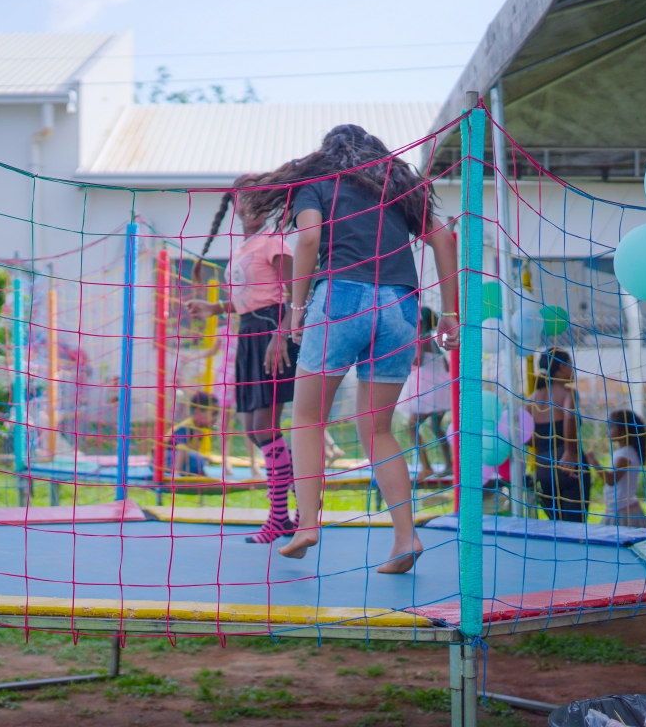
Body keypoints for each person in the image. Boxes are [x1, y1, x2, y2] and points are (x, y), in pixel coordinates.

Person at [246, 124, 458, 574]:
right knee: (378, 429)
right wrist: (449, 313)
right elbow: (444, 239)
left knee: (307, 417)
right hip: (401, 306)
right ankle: (406, 536)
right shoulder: (397, 188)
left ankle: (307, 524)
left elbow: (308, 239)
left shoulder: (318, 184)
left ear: (325, 155)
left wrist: (297, 309)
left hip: (341, 298)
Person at [186, 178, 300, 543]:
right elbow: (250, 298)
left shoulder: (274, 242)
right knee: (252, 428)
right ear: (235, 206)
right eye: (244, 200)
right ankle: (300, 500)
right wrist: (214, 308)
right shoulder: (245, 248)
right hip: (250, 333)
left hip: (272, 333)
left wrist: (281, 335)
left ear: (268, 205)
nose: (250, 206)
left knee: (265, 427)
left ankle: (281, 517)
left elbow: (297, 294)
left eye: (257, 199)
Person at [527, 349, 589, 522]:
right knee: (575, 524)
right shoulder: (568, 393)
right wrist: (569, 451)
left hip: (544, 466)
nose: (573, 370)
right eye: (571, 365)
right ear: (561, 367)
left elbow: (526, 435)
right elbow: (569, 418)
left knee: (557, 523)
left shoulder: (531, 398)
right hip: (567, 464)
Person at [396, 307, 453, 481]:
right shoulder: (432, 339)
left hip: (427, 391)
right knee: (436, 426)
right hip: (439, 389)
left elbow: (417, 360)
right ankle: (449, 464)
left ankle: (427, 467)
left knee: (411, 426)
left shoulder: (421, 339)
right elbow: (446, 365)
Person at [596, 409, 646, 528]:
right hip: (617, 509)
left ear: (622, 431)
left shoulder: (626, 454)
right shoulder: (624, 452)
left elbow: (611, 479)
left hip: (625, 512)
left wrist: (593, 462)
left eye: (611, 427)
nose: (607, 431)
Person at [170, 391, 219, 476]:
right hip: (162, 457)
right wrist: (176, 474)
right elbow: (182, 449)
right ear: (198, 413)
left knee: (199, 459)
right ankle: (176, 473)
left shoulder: (199, 430)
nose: (216, 418)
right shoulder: (187, 427)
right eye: (213, 414)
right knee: (196, 459)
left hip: (173, 458)